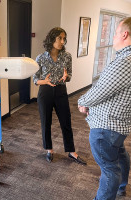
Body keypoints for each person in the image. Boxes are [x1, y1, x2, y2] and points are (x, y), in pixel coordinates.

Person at [78, 17, 131, 200]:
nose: (114, 36)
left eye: (116, 32)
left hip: (107, 128)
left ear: (125, 34)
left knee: (109, 169)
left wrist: (83, 101)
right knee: (120, 154)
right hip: (120, 125)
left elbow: (100, 91)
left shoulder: (126, 61)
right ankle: (122, 187)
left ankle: (113, 191)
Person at [33, 27, 86, 165]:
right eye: (59, 38)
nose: (62, 41)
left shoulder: (67, 56)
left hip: (61, 91)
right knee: (46, 122)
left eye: (64, 38)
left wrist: (66, 76)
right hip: (45, 92)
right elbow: (35, 79)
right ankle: (49, 149)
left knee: (66, 121)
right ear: (52, 39)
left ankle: (71, 151)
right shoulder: (41, 58)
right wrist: (44, 81)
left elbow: (70, 76)